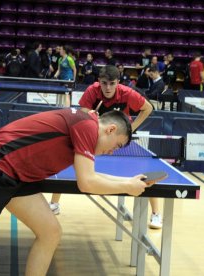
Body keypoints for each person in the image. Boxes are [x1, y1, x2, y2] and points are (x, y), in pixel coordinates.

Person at [0, 109, 153, 276]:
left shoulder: (86, 125)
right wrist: (127, 187)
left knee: (50, 232)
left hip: (18, 175)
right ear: (110, 130)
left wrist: (127, 181)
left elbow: (92, 176)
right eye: (117, 146)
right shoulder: (87, 126)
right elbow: (87, 182)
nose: (113, 152)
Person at [50, 66, 163, 229]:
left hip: (119, 138)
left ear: (118, 82)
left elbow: (148, 108)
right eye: (104, 83)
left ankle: (156, 213)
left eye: (112, 83)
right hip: (97, 138)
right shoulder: (92, 91)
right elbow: (82, 114)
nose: (108, 88)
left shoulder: (127, 93)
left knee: (143, 168)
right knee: (71, 161)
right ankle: (54, 203)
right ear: (99, 82)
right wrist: (90, 116)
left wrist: (131, 129)